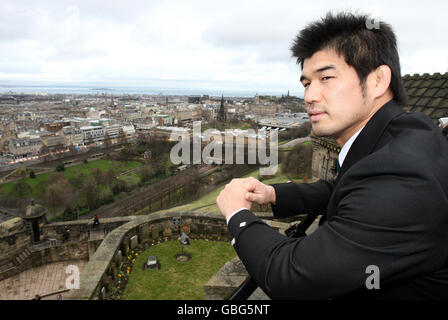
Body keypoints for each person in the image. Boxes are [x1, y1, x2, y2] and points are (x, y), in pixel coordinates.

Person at [216, 11, 448, 300]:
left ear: (378, 80)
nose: (310, 96)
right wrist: (274, 194)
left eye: (326, 77)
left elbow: (289, 275)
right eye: (306, 83)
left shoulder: (403, 174)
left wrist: (237, 214)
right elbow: (345, 188)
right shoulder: (402, 132)